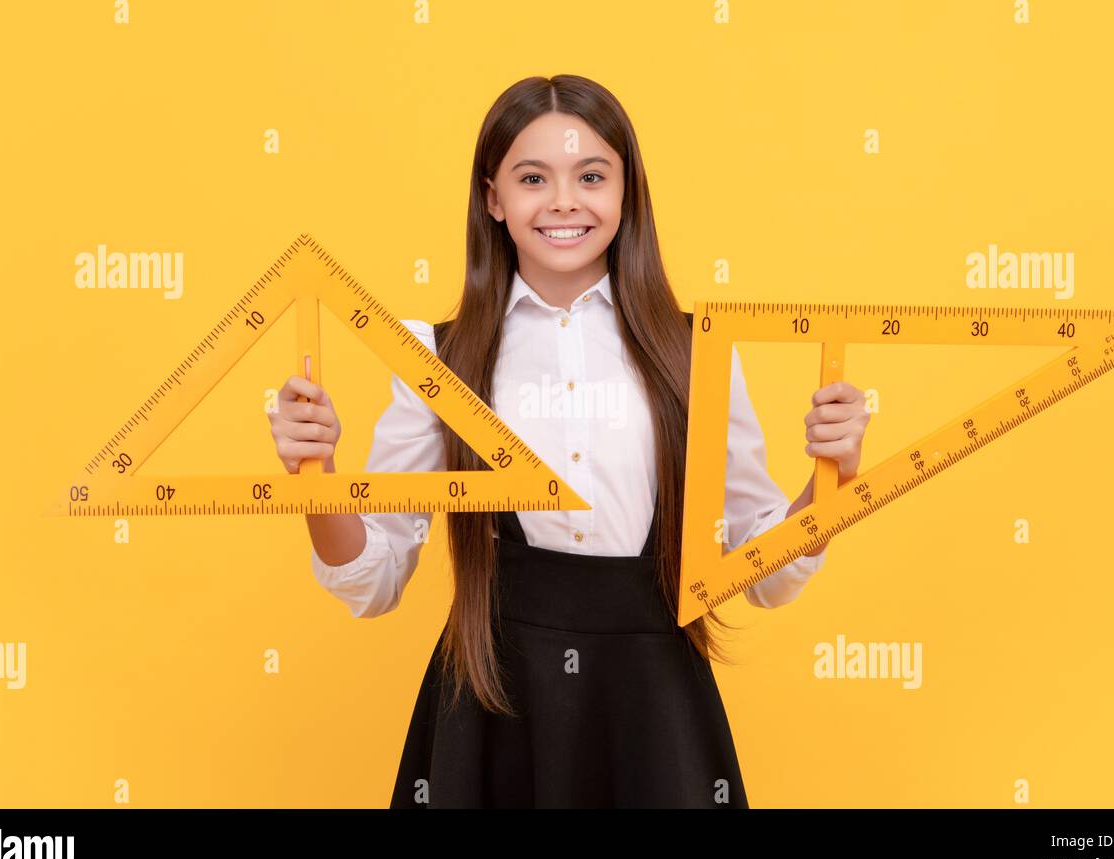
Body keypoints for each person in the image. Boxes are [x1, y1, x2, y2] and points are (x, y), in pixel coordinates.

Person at [269, 74, 870, 808]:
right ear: (493, 197)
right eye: (531, 178)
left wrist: (831, 480)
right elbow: (374, 579)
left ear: (626, 192)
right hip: (495, 705)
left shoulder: (698, 353)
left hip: (653, 709)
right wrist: (317, 477)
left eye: (591, 175)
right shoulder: (439, 357)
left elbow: (764, 566)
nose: (562, 202)